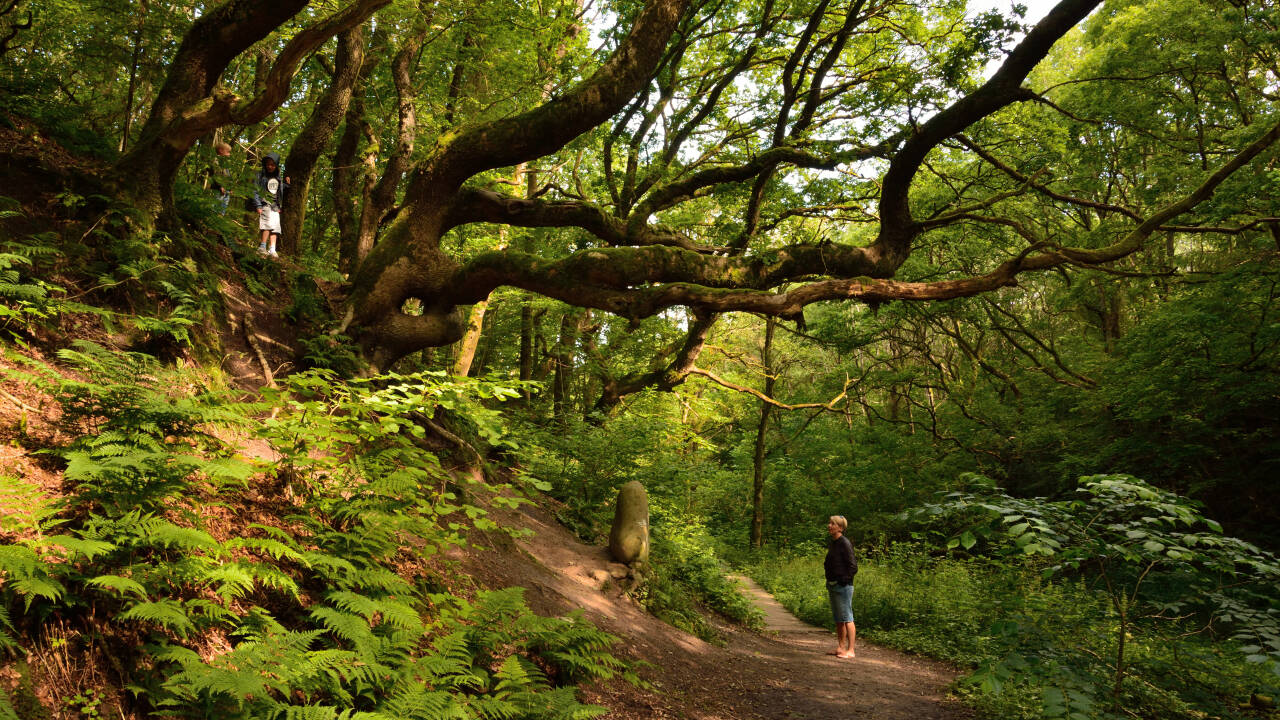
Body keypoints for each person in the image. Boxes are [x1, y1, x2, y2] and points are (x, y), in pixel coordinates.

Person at [824, 515, 858, 659]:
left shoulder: (845, 543)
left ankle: (851, 650)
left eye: (833, 524)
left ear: (840, 527)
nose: (829, 525)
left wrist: (843, 581)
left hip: (843, 586)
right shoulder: (834, 543)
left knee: (847, 618)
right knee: (839, 619)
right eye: (830, 523)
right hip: (832, 585)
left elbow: (853, 566)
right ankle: (840, 647)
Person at [251, 152, 290, 257]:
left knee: (276, 228)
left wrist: (287, 184)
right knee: (267, 225)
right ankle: (262, 247)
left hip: (275, 206)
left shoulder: (277, 177)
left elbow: (278, 188)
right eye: (268, 164)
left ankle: (272, 249)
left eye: (272, 165)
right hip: (265, 203)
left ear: (276, 165)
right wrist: (258, 205)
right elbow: (255, 190)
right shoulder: (260, 175)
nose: (270, 166)